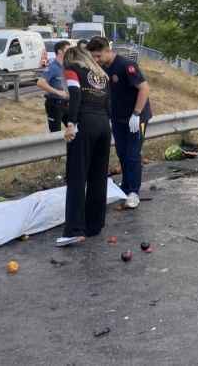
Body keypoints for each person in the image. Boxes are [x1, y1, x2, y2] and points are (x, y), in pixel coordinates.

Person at [56, 47, 112, 247]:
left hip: (85, 124)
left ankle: (74, 230)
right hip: (104, 125)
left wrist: (71, 123)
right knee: (98, 177)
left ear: (70, 59)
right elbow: (108, 103)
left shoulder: (73, 70)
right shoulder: (101, 75)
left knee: (77, 177)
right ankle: (94, 225)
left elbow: (75, 95)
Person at [87, 37, 152, 209]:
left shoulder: (126, 66)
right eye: (93, 57)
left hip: (136, 118)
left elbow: (144, 88)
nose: (96, 60)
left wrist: (136, 114)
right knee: (122, 153)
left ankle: (134, 192)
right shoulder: (103, 68)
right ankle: (126, 186)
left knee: (132, 155)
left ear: (108, 50)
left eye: (99, 56)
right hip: (118, 118)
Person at [36, 40, 70, 132]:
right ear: (60, 51)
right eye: (68, 50)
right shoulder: (52, 67)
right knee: (55, 131)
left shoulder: (68, 66)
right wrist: (58, 92)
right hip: (54, 104)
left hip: (67, 103)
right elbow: (40, 82)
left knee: (75, 130)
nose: (70, 52)